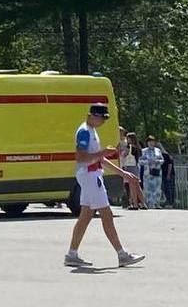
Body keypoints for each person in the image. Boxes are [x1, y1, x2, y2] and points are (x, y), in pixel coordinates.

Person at [64, 104, 144, 268]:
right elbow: (81, 157)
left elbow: (100, 159)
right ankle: (122, 254)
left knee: (85, 216)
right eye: (102, 118)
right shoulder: (85, 131)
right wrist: (103, 153)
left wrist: (122, 173)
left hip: (91, 174)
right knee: (106, 214)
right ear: (92, 116)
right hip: (90, 175)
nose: (103, 122)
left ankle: (72, 253)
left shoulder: (91, 131)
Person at [140, 135, 164, 208]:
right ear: (147, 143)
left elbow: (162, 160)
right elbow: (140, 161)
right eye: (150, 142)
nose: (151, 143)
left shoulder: (158, 150)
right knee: (147, 188)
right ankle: (148, 203)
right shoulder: (144, 151)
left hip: (157, 171)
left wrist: (157, 161)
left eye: (153, 142)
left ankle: (157, 203)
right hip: (148, 172)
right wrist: (148, 161)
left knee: (157, 188)